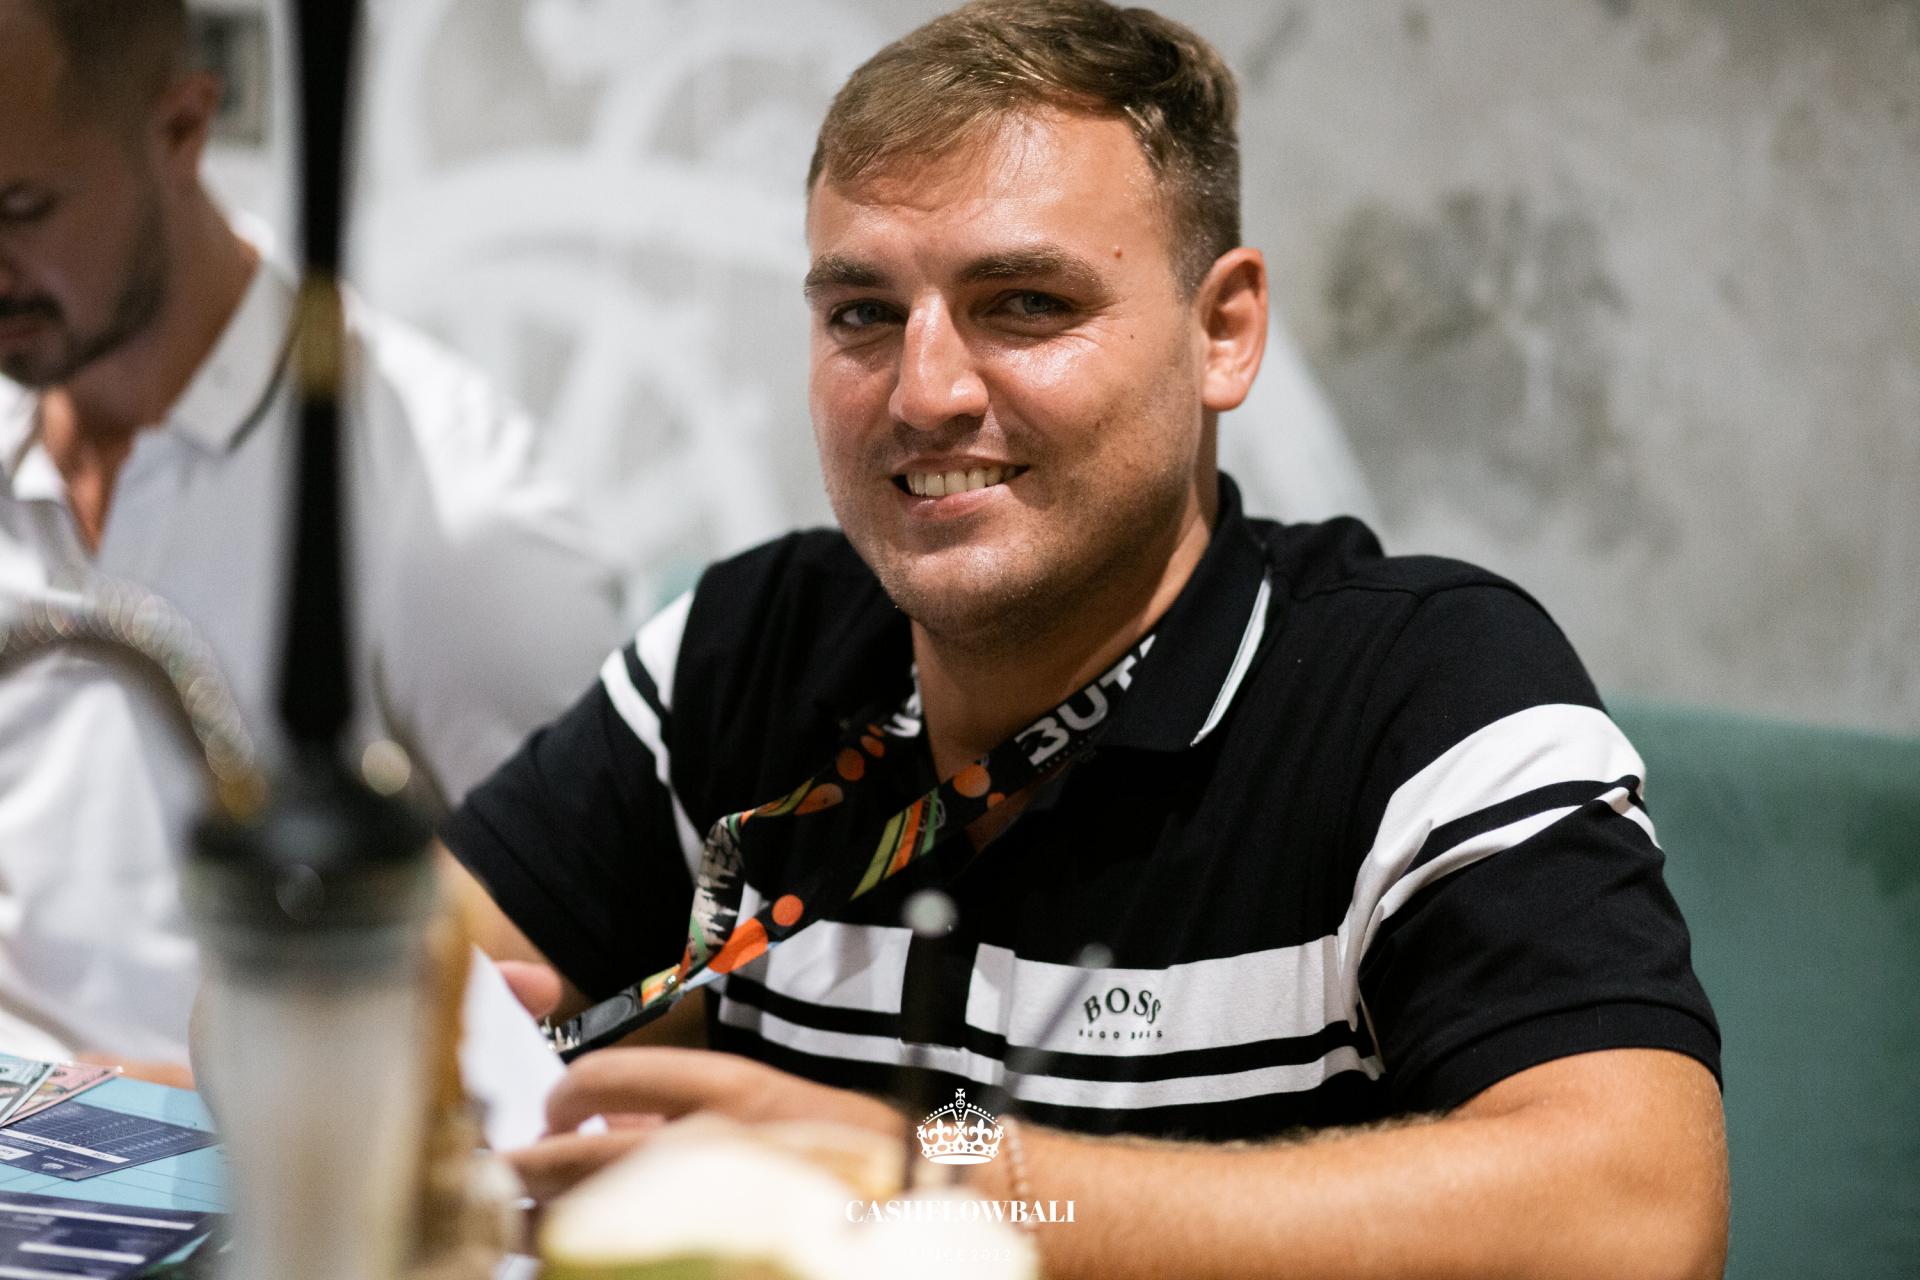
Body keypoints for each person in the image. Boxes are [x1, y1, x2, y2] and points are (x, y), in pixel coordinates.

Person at [442, 1, 1728, 1275]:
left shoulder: (1427, 686)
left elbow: (1639, 1216)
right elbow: (422, 971)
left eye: (1024, 302)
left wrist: (921, 1186)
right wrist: (466, 1057)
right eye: (863, 313)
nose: (926, 392)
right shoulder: (750, 640)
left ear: (1224, 331)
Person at [0, 0, 624, 1081]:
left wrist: (211, 1096)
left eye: (20, 207)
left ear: (182, 128)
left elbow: (595, 973)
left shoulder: (449, 514)